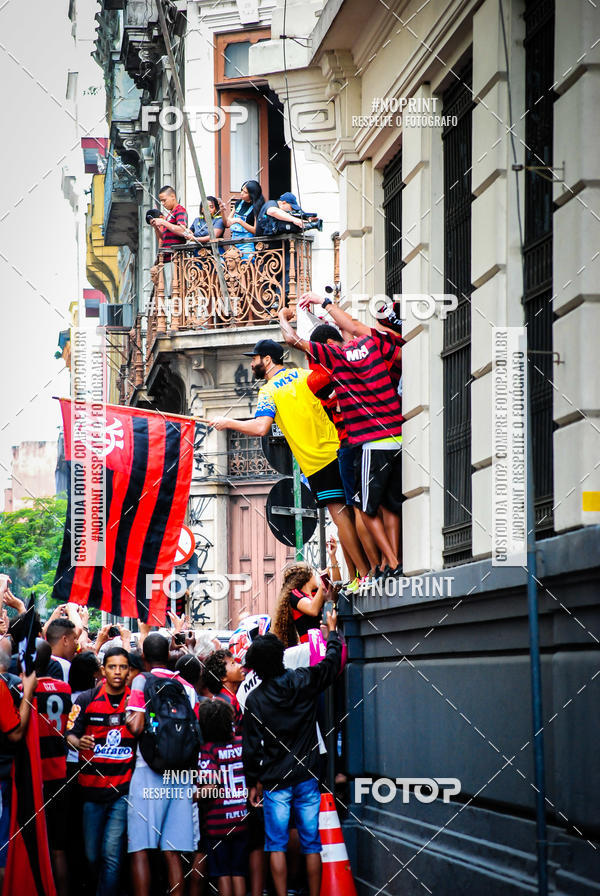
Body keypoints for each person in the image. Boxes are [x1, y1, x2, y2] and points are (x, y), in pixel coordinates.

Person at [208, 339, 369, 579]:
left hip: (317, 460)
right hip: (340, 447)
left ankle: (362, 575)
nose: (252, 364)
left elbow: (262, 427)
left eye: (254, 359)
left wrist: (227, 422)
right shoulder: (304, 374)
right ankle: (368, 572)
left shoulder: (269, 390)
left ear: (268, 360)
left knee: (340, 516)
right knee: (357, 511)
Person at [279, 298, 404, 574]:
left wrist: (283, 316)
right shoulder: (377, 346)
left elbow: (292, 340)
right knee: (389, 505)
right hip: (396, 432)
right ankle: (394, 561)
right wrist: (328, 307)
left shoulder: (325, 370)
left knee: (362, 508)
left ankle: (380, 567)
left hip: (358, 442)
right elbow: (356, 329)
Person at [243, 611, 342, 896]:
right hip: (308, 773)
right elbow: (331, 665)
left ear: (256, 667)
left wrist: (253, 782)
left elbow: (251, 750)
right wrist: (332, 633)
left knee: (275, 844)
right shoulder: (303, 680)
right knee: (312, 842)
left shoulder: (255, 700)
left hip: (275, 780)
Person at [126, 632, 200, 896]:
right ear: (169, 655)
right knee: (173, 850)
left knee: (140, 847)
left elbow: (136, 725)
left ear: (144, 657)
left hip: (149, 770)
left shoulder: (141, 681)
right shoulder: (187, 687)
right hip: (181, 773)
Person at [67, 647, 133, 896]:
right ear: (103, 670)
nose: (118, 672)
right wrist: (77, 741)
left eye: (123, 667)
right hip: (90, 792)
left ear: (129, 671)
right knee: (92, 855)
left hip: (121, 793)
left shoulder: (134, 702)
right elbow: (70, 733)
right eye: (113, 667)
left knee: (111, 855)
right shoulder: (85, 699)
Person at [197, 700, 248, 896]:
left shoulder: (208, 750)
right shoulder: (240, 743)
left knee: (222, 873)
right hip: (242, 817)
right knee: (239, 872)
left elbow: (210, 787)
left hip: (217, 822)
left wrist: (190, 796)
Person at [34, 640, 72, 896]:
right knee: (59, 846)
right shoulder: (65, 688)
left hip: (36, 772)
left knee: (35, 842)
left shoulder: (26, 688)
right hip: (60, 769)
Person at [149, 185, 188, 299]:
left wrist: (164, 222)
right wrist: (156, 227)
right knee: (167, 292)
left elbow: (182, 230)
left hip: (174, 258)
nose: (163, 203)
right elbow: (162, 238)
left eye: (164, 200)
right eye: (161, 201)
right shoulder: (169, 215)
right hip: (166, 259)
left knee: (174, 292)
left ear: (173, 196)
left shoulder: (180, 210)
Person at [272, 565, 326, 648]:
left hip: (323, 642)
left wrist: (333, 560)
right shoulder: (295, 594)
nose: (316, 577)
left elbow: (334, 589)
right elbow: (313, 610)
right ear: (307, 577)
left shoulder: (315, 593)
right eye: (313, 574)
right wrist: (323, 581)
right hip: (310, 647)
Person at [202, 649, 245, 735]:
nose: (240, 666)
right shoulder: (227, 703)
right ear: (222, 677)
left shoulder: (227, 697)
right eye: (233, 664)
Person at [218, 181, 262, 261]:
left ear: (252, 194)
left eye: (245, 192)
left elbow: (255, 230)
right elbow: (227, 223)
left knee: (247, 266)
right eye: (241, 190)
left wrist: (239, 221)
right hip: (234, 242)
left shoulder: (256, 207)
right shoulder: (238, 203)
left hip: (247, 244)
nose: (241, 193)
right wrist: (222, 212)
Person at [46, 617, 78, 682]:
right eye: (75, 638)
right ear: (65, 640)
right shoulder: (64, 666)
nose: (77, 643)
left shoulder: (38, 662)